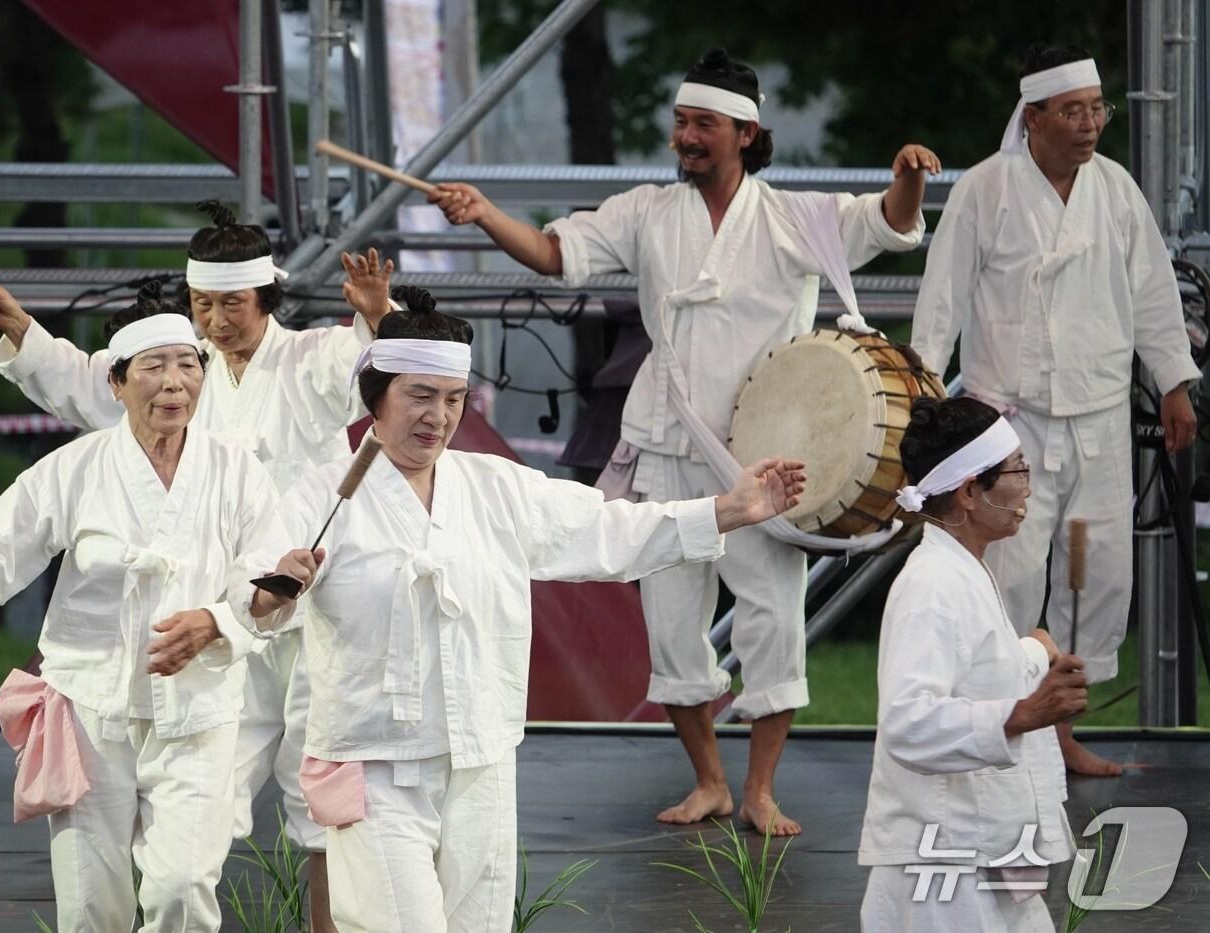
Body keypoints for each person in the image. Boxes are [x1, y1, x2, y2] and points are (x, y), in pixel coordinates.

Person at [428, 47, 936, 835]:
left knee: (770, 618)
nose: (685, 137)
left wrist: (908, 177)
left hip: (765, 453)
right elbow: (557, 254)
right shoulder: (645, 213)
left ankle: (761, 789)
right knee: (671, 624)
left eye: (703, 124)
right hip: (665, 442)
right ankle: (710, 779)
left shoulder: (793, 218)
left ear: (745, 132)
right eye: (680, 122)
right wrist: (485, 212)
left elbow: (890, 223)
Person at [269, 286, 805, 932]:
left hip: (481, 757)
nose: (438, 415)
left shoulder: (494, 486)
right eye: (419, 394)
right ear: (376, 395)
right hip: (374, 763)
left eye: (452, 398)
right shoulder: (321, 493)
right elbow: (263, 585)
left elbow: (609, 530)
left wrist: (729, 509)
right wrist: (268, 591)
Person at [0, 201, 393, 928]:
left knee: (319, 777)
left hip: (302, 598)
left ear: (266, 297)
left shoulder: (308, 357)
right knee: (201, 807)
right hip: (208, 620)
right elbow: (98, 378)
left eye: (231, 303)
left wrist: (376, 321)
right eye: (202, 304)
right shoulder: (180, 366)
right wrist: (22, 329)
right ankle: (165, 896)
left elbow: (369, 369)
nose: (216, 319)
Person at [0, 285, 303, 932]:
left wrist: (219, 619)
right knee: (92, 904)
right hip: (90, 713)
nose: (174, 382)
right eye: (154, 366)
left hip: (199, 713)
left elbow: (266, 584)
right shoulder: (75, 468)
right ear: (115, 383)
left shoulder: (239, 472)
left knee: (181, 890)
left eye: (187, 364)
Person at [909, 43, 1200, 776]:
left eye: (1097, 109)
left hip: (1097, 422)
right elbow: (941, 298)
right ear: (1032, 117)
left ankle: (1062, 734)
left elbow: (1153, 294)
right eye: (1072, 111)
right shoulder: (986, 189)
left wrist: (1172, 381)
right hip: (1009, 430)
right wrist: (921, 394)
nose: (1090, 124)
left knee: (1088, 571)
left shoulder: (1115, 189)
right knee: (1007, 572)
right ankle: (1000, 724)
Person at [858, 396, 1084, 932]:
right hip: (943, 862)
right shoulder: (931, 586)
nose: (1027, 486)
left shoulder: (959, 569)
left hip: (980, 848)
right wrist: (1024, 715)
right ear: (968, 492)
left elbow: (978, 673)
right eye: (1017, 471)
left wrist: (1034, 652)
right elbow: (908, 723)